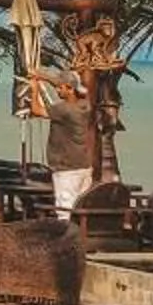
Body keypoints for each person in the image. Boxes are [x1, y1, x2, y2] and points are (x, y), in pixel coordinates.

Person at [40, 60, 97, 219]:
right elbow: (72, 86)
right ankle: (81, 233)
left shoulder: (64, 109)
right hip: (84, 165)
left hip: (67, 168)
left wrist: (34, 86)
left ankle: (67, 234)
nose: (57, 90)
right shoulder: (85, 105)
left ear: (70, 89)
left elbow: (37, 110)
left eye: (60, 88)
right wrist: (43, 77)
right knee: (80, 208)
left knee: (64, 209)